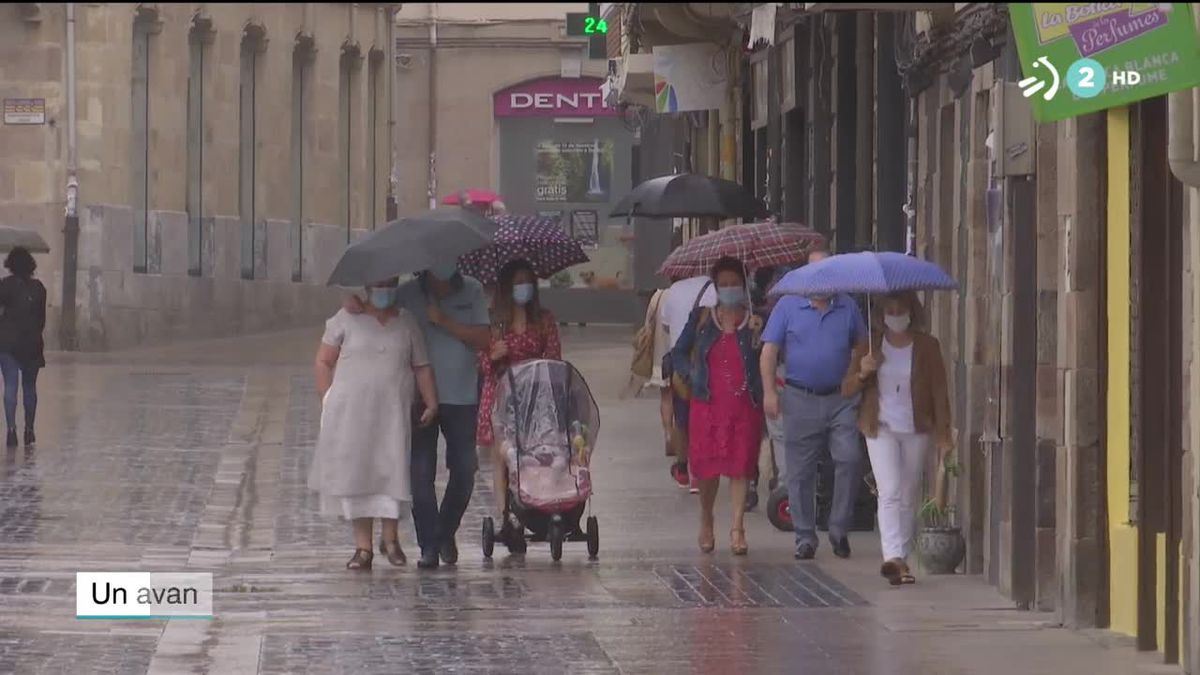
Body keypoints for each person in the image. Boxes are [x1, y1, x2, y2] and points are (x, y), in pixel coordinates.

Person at [344, 263, 491, 570]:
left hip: (461, 395)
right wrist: (355, 306)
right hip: (415, 397)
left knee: (464, 470)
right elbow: (380, 318)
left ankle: (444, 533)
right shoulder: (406, 294)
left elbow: (483, 338)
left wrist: (445, 321)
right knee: (419, 475)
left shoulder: (473, 290)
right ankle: (428, 546)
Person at [313, 277, 439, 570]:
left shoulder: (407, 323)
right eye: (378, 284)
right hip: (352, 416)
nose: (384, 290)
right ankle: (363, 547)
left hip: (393, 414)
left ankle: (391, 539)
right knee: (359, 475)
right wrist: (327, 398)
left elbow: (421, 365)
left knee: (392, 471)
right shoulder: (345, 319)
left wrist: (431, 401)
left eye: (389, 284)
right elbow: (323, 361)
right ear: (367, 287)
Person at [760, 247, 868, 561]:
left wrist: (857, 373)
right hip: (799, 397)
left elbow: (862, 344)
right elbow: (769, 351)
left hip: (840, 399)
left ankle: (838, 528)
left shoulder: (848, 305)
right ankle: (805, 536)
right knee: (800, 471)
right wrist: (769, 392)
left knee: (848, 459)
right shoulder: (788, 306)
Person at [842, 291, 952, 585]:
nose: (895, 315)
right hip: (880, 428)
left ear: (912, 312)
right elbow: (847, 388)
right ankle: (891, 556)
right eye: (889, 310)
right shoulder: (869, 347)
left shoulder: (928, 346)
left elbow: (939, 392)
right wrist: (864, 372)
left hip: (917, 427)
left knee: (908, 492)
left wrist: (944, 435)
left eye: (901, 309)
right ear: (881, 314)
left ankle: (902, 555)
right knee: (889, 490)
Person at [671, 257, 764, 555]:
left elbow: (773, 355)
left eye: (734, 283)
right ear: (714, 286)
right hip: (708, 405)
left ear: (744, 284)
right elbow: (678, 353)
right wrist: (690, 373)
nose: (728, 289)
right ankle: (707, 519)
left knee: (740, 467)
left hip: (743, 405)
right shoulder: (701, 318)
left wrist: (759, 334)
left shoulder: (755, 320)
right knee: (708, 469)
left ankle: (737, 527)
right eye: (722, 284)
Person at [479, 260, 562, 535]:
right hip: (502, 394)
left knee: (535, 454)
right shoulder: (494, 322)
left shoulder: (544, 320)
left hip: (536, 395)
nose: (522, 287)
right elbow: (482, 362)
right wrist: (494, 355)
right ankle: (505, 517)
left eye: (527, 281)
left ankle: (538, 505)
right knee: (502, 457)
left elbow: (554, 358)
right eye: (517, 282)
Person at [659, 274, 717, 491]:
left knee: (682, 420)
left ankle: (683, 468)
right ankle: (701, 470)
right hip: (709, 367)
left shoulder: (674, 290)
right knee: (705, 419)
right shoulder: (716, 289)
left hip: (681, 367)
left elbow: (666, 326)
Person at [0, 247, 47, 448]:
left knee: (10, 386)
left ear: (10, 264)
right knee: (29, 387)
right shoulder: (39, 288)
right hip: (32, 343)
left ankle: (11, 430)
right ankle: (29, 429)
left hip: (8, 343)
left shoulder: (5, 285)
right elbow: (41, 319)